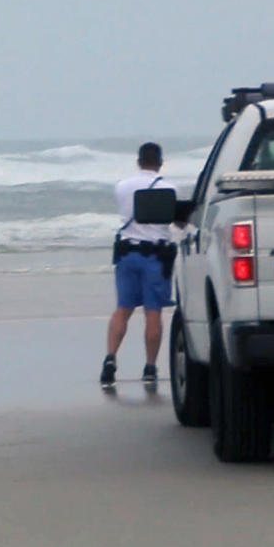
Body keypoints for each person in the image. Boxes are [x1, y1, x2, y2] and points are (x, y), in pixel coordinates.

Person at [100, 142, 177, 393]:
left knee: (123, 309)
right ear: (160, 162)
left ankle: (110, 359)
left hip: (127, 253)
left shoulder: (122, 187)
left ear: (138, 161)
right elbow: (173, 219)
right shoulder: (169, 188)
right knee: (153, 313)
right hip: (155, 256)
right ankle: (150, 368)